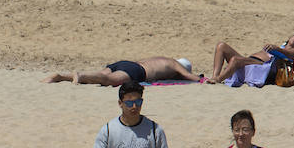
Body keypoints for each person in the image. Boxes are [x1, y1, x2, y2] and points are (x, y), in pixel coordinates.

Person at [208, 32, 294, 84]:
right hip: (250, 60)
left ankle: (218, 79)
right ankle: (214, 76)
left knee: (235, 60)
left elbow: (291, 55)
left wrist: (277, 49)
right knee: (221, 46)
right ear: (291, 37)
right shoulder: (281, 46)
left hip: (261, 64)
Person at [42, 57, 200, 85]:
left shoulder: (162, 58)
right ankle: (80, 75)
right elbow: (188, 76)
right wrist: (202, 80)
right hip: (138, 71)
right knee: (110, 80)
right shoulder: (174, 64)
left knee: (101, 75)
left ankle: (61, 77)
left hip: (126, 63)